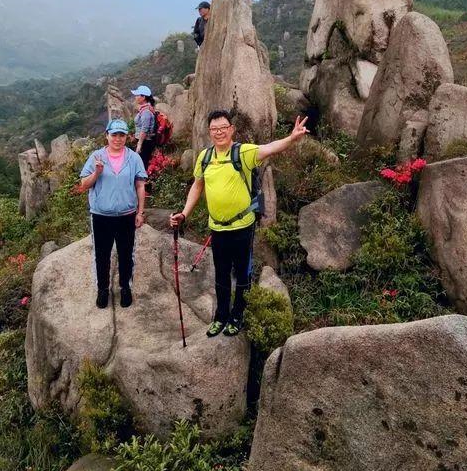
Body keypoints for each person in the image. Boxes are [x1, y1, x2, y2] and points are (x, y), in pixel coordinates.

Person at [169, 109, 309, 337]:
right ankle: (221, 316)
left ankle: (237, 315)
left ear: (231, 129)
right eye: (214, 129)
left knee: (242, 274)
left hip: (242, 227)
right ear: (209, 132)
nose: (219, 132)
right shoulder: (205, 158)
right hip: (217, 228)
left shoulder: (242, 153)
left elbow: (270, 148)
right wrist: (184, 213)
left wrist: (292, 138)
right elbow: (197, 186)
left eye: (223, 127)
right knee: (221, 274)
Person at [79, 118, 147, 309]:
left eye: (122, 135)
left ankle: (125, 288)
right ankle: (103, 290)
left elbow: (140, 185)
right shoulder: (96, 157)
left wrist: (140, 212)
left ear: (127, 137)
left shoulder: (133, 158)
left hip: (126, 215)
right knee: (102, 254)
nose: (118, 138)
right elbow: (84, 184)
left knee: (126, 254)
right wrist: (97, 173)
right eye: (114, 134)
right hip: (101, 216)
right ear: (107, 136)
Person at [131, 85, 157, 171]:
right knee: (141, 165)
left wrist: (139, 144)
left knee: (142, 166)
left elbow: (144, 129)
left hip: (145, 143)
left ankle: (144, 183)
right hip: (143, 141)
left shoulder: (146, 111)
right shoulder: (144, 109)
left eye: (137, 95)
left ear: (143, 97)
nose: (136, 97)